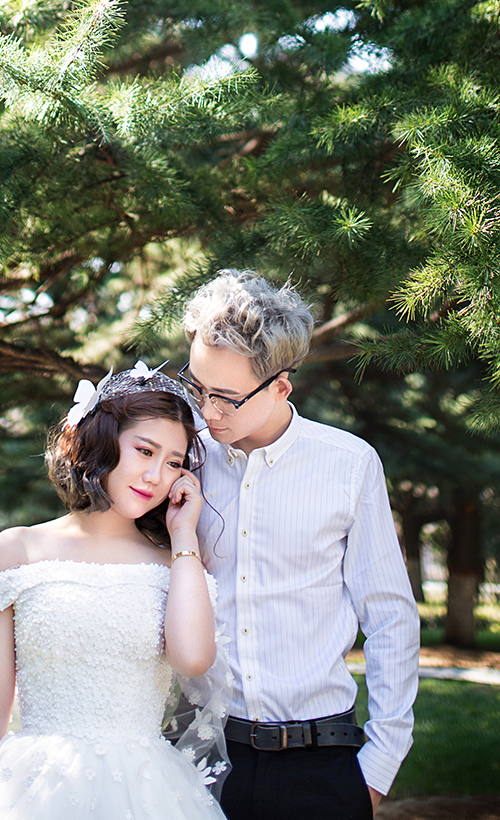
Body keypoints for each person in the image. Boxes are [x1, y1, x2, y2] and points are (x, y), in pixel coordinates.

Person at [0, 362, 231, 820]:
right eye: (144, 450)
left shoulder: (173, 563)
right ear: (101, 439)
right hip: (34, 790)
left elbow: (193, 659)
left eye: (174, 462)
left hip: (144, 793)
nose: (156, 475)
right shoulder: (17, 551)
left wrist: (183, 536)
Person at [179, 269, 419, 820]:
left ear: (280, 387)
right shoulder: (184, 456)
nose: (208, 412)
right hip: (202, 758)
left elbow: (390, 617)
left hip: (322, 767)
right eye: (198, 387)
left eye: (226, 398)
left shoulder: (349, 464)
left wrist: (378, 768)